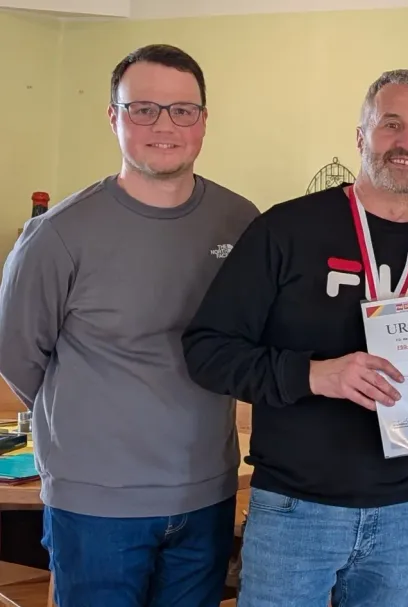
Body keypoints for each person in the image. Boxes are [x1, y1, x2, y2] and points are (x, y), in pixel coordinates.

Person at [181, 69, 408, 606]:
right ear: (361, 134)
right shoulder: (287, 230)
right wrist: (317, 374)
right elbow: (208, 351)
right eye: (392, 125)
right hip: (296, 512)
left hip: (405, 517)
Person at [0, 44, 257, 607]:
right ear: (114, 117)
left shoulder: (241, 222)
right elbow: (15, 368)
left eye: (182, 110)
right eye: (143, 109)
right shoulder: (56, 236)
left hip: (207, 496)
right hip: (95, 508)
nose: (164, 125)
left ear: (203, 121)